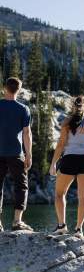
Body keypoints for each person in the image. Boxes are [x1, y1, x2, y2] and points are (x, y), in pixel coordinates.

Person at [49, 95, 84, 237]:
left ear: (73, 106)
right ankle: (78, 229)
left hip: (69, 159)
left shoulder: (66, 122)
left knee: (60, 194)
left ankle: (61, 226)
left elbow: (60, 145)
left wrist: (53, 163)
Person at [0, 77, 33, 231]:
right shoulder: (23, 109)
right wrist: (29, 155)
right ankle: (17, 221)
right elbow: (27, 133)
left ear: (4, 88)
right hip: (16, 153)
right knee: (21, 186)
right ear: (18, 90)